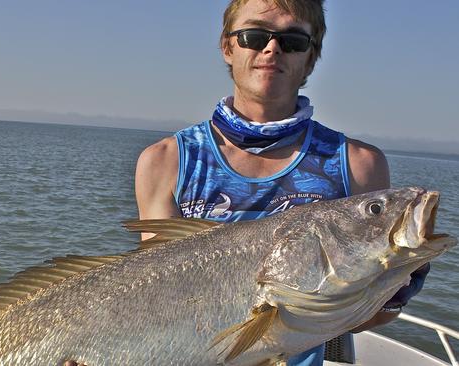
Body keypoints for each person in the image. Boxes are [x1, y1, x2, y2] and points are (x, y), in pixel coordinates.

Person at [66, 0, 427, 365]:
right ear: (227, 46)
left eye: (293, 40)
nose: (272, 49)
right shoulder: (165, 162)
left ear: (311, 57)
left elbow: (365, 318)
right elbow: (158, 298)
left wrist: (392, 289)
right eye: (254, 36)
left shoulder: (358, 164)